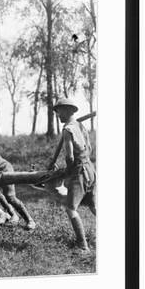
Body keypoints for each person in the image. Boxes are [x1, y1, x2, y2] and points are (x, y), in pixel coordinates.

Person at [51, 98, 96, 251]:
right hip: (90, 169)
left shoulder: (68, 129)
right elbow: (89, 149)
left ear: (69, 110)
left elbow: (69, 157)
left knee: (70, 208)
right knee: (93, 205)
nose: (58, 115)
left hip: (80, 173)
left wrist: (66, 172)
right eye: (57, 111)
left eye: (59, 111)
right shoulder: (80, 126)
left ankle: (83, 246)